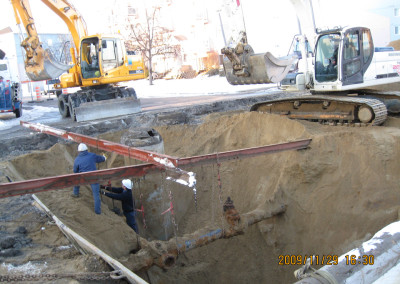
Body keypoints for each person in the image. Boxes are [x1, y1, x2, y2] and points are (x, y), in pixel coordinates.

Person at [72, 143, 106, 215]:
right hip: (93, 177)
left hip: (83, 177)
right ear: (86, 149)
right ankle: (98, 212)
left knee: (76, 178)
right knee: (96, 195)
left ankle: (75, 193)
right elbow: (101, 159)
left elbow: (75, 171)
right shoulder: (92, 155)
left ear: (79, 151)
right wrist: (104, 157)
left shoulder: (77, 159)